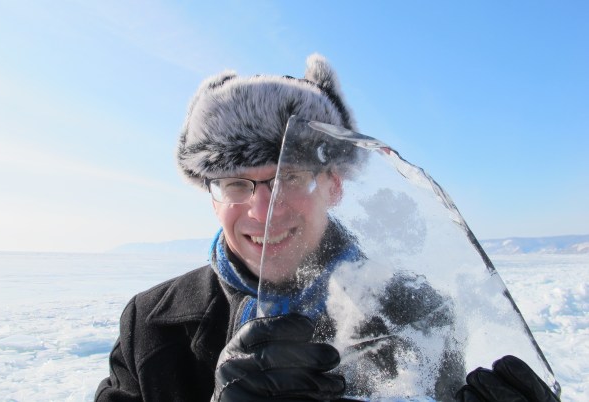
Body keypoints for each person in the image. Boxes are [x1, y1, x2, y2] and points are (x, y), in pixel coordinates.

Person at [96, 54, 559, 402]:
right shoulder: (153, 325)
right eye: (237, 184)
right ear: (212, 197)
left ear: (334, 185)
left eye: (288, 178)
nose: (264, 210)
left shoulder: (415, 312)